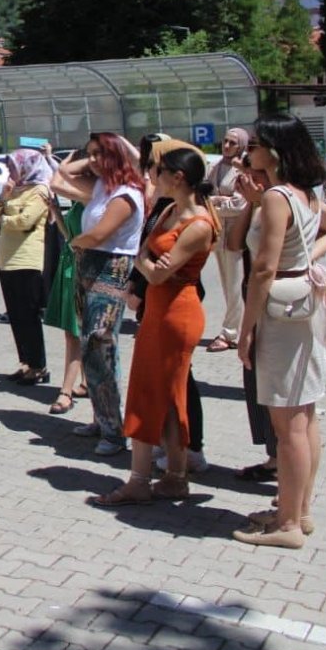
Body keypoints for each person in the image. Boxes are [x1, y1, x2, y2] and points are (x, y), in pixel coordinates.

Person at [233, 115, 326, 548]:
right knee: (305, 416)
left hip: (282, 312)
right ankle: (298, 511)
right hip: (306, 303)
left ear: (275, 151)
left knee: (289, 424)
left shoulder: (279, 196)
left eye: (256, 145)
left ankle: (288, 525)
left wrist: (245, 331)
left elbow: (263, 268)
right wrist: (306, 264)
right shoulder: (306, 193)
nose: (248, 154)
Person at [90, 147, 218, 506]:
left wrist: (144, 260)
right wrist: (146, 260)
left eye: (158, 172)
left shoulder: (198, 223)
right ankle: (175, 477)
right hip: (158, 311)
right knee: (169, 397)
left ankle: (139, 480)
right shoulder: (169, 212)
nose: (152, 177)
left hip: (177, 313)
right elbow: (147, 254)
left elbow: (158, 271)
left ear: (177, 178)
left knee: (151, 393)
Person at [50, 132, 144, 456]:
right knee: (91, 346)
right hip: (88, 266)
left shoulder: (127, 194)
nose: (91, 162)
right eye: (89, 155)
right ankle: (102, 419)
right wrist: (86, 158)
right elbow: (61, 176)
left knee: (100, 342)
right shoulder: (103, 188)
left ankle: (114, 432)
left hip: (110, 268)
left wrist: (75, 243)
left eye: (97, 155)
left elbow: (100, 234)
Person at [227, 159, 280, 483]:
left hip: (274, 303)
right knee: (256, 382)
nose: (247, 177)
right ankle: (273, 457)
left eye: (254, 171)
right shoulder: (261, 203)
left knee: (276, 390)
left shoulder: (284, 201)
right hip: (253, 293)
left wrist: (308, 264)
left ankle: (284, 472)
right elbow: (233, 244)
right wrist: (251, 203)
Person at [0, 148, 53, 385]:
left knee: (29, 316)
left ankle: (39, 366)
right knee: (16, 316)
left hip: (27, 260)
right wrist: (3, 198)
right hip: (6, 260)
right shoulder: (13, 189)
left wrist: (5, 220)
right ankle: (26, 363)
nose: (10, 171)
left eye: (13, 166)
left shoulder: (40, 190)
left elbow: (26, 221)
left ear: (27, 166)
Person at [45, 149, 86, 415]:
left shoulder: (93, 199)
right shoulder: (80, 202)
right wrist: (56, 212)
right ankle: (85, 382)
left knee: (75, 333)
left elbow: (56, 181)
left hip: (83, 270)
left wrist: (66, 160)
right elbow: (69, 234)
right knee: (74, 332)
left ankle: (66, 391)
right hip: (71, 264)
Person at [206, 128, 249, 352]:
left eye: (232, 143)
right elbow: (205, 196)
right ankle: (234, 327)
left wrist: (218, 203)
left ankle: (231, 332)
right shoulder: (217, 167)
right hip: (220, 232)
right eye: (225, 141)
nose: (227, 146)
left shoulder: (243, 170)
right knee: (226, 284)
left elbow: (240, 205)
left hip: (237, 234)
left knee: (235, 284)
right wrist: (220, 200)